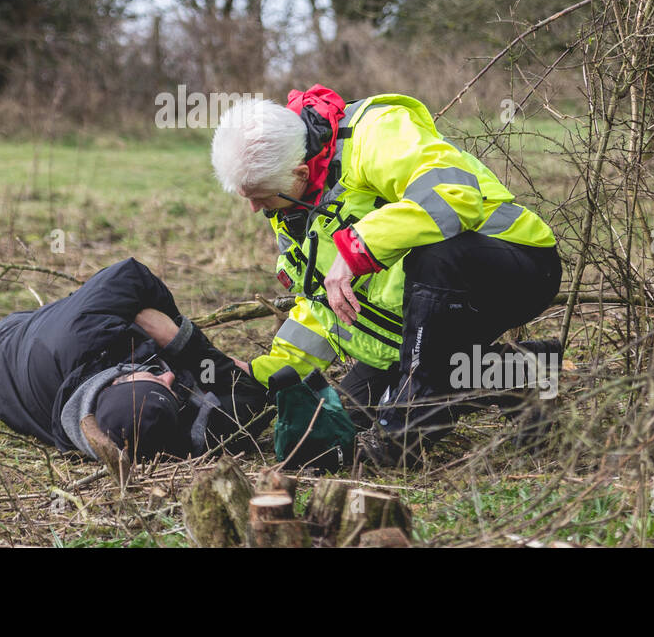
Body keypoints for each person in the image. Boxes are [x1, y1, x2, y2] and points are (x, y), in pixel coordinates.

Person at [211, 85, 563, 466]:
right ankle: (522, 371)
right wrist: (267, 373)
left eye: (260, 196)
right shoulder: (288, 204)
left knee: (435, 258)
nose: (253, 208)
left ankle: (403, 432)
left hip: (514, 266)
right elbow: (322, 304)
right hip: (422, 313)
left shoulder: (376, 132)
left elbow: (454, 194)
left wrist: (358, 248)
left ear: (299, 173)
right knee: (343, 418)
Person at [0, 257, 270, 468]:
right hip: (12, 382)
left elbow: (130, 274)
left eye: (154, 379)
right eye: (167, 390)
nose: (169, 379)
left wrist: (174, 336)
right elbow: (255, 399)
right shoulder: (159, 433)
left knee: (57, 316)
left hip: (4, 342)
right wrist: (178, 339)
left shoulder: (82, 331)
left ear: (117, 380)